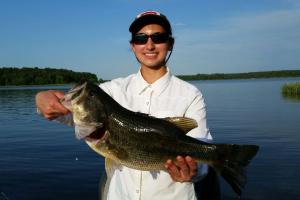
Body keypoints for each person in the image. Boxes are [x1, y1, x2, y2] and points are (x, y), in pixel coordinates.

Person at [36, 10, 215, 200]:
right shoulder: (112, 90)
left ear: (170, 43)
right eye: (140, 38)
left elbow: (202, 152)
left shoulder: (190, 94)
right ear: (132, 46)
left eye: (158, 37)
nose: (150, 44)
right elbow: (61, 112)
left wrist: (194, 172)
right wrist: (41, 98)